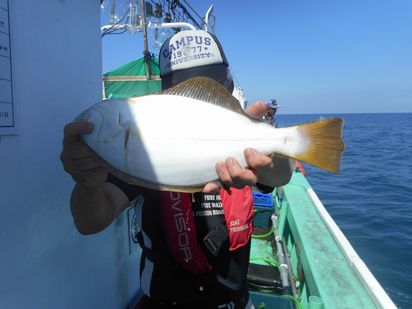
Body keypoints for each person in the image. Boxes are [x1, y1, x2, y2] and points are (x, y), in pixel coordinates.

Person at [61, 30, 293, 308]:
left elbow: (281, 174)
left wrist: (268, 149)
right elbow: (90, 221)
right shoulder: (144, 147)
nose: (204, 100)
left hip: (233, 302)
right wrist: (89, 181)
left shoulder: (242, 135)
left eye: (214, 85)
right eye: (187, 90)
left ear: (228, 84)